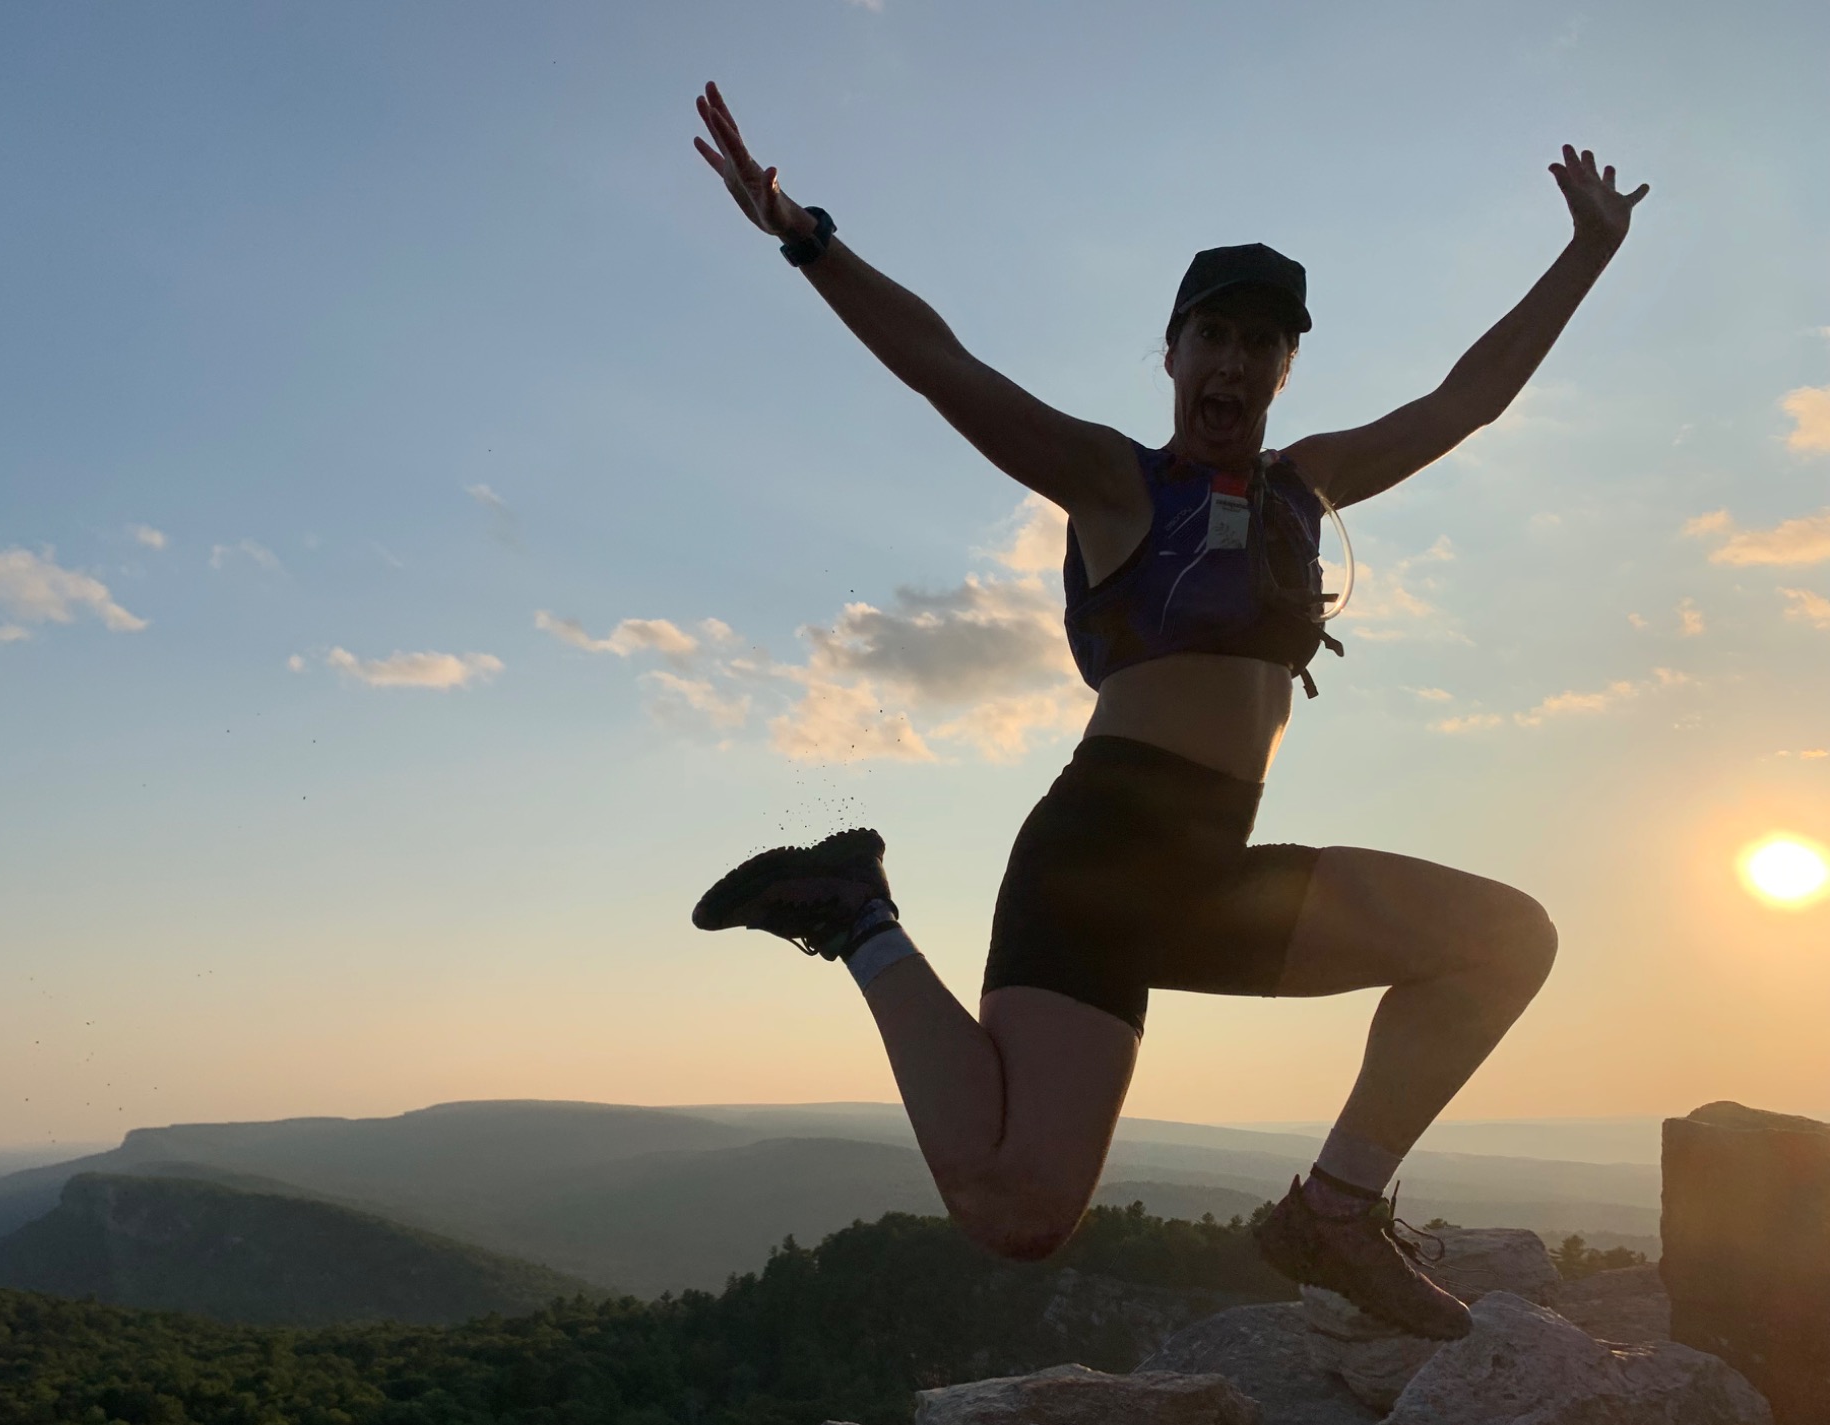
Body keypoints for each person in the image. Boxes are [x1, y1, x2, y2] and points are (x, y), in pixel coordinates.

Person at [687, 82, 1647, 1339]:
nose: (1236, 361)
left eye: (1263, 343)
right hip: (1094, 858)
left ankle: (1334, 1214)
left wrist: (1582, 255)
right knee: (1018, 1212)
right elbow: (939, 365)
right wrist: (803, 236)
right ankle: (855, 912)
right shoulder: (1112, 481)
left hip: (1212, 868)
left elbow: (1465, 400)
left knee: (1504, 939)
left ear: (1284, 369)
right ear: (1173, 354)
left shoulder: (1311, 485)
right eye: (1214, 335)